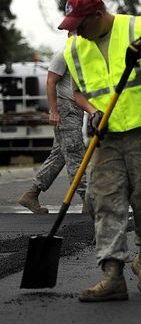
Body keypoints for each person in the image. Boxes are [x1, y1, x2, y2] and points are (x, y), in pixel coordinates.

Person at [58, 0, 141, 302]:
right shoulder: (75, 46)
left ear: (98, 15)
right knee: (104, 200)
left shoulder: (136, 28)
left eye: (79, 23)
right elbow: (78, 91)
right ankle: (112, 275)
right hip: (108, 136)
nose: (74, 30)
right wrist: (92, 111)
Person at [18, 38, 90, 215]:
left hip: (75, 109)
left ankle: (31, 194)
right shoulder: (63, 54)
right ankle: (88, 200)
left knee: (59, 156)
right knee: (75, 153)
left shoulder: (81, 54)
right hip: (65, 109)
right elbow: (50, 81)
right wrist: (54, 111)